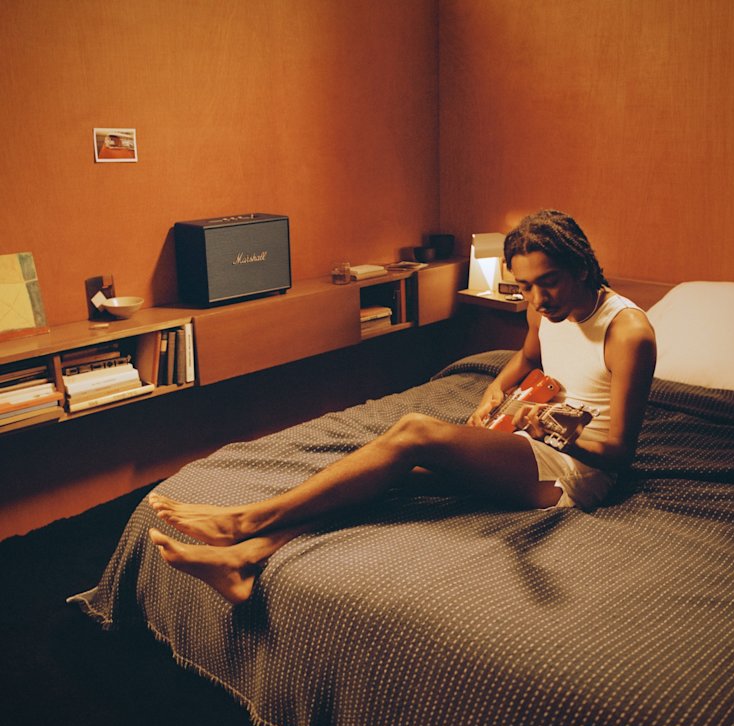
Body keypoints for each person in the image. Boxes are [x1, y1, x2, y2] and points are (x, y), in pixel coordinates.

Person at [148, 210, 657, 604]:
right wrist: (493, 393)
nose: (538, 298)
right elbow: (525, 357)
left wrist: (546, 427)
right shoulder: (541, 308)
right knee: (385, 474)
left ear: (582, 266)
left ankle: (242, 521)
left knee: (414, 430)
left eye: (548, 282)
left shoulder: (627, 331)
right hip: (526, 442)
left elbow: (617, 454)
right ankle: (243, 560)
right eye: (525, 286)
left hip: (574, 474)